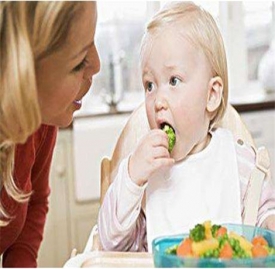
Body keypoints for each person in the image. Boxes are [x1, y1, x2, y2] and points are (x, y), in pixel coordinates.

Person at [98, 2, 275, 252]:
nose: (158, 100)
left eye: (174, 80)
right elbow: (112, 245)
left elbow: (264, 218)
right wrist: (131, 177)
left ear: (211, 95)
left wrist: (269, 223)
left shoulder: (240, 163)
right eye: (150, 85)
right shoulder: (144, 176)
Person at [0, 1, 100, 267]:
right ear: (22, 74)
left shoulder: (41, 118)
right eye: (79, 63)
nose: (97, 65)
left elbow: (33, 203)